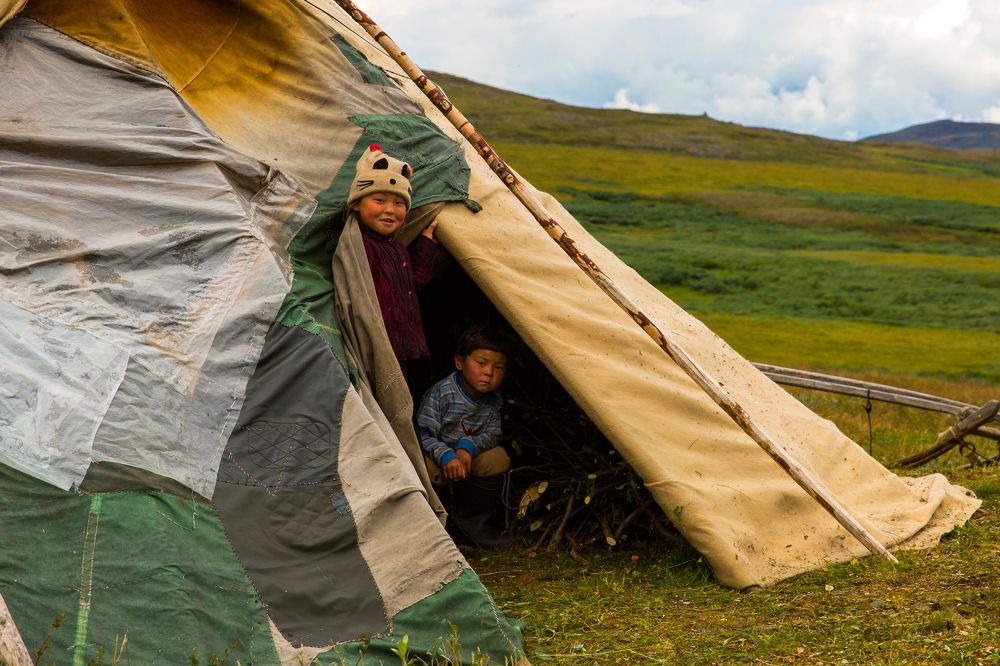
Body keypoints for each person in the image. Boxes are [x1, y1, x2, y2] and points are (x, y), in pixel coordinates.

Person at [346, 143, 450, 379]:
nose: (390, 210)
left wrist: (425, 243)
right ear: (356, 203)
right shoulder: (357, 245)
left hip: (403, 347)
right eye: (379, 200)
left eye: (399, 203)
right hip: (376, 350)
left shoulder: (396, 246)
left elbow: (413, 282)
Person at [417, 325, 515, 547]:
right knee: (425, 466)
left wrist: (466, 448)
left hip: (467, 459)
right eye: (481, 363)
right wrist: (446, 456)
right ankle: (439, 528)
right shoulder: (441, 394)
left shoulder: (493, 400)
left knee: (497, 458)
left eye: (498, 367)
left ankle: (473, 525)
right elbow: (421, 435)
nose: (489, 372)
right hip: (438, 458)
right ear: (460, 362)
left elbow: (493, 434)